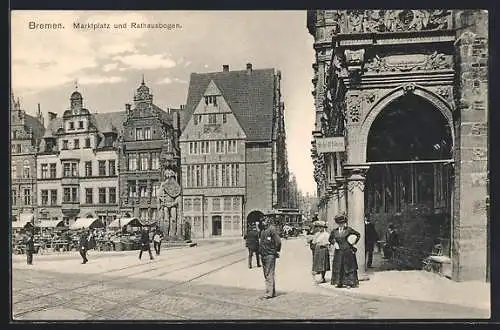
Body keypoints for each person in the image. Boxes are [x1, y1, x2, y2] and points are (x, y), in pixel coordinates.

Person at [329, 214, 361, 289]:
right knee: (339, 267)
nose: (341, 224)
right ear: (337, 223)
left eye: (343, 223)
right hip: (338, 251)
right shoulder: (334, 231)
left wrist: (353, 242)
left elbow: (358, 234)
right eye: (340, 223)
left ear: (345, 223)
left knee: (348, 267)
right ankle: (339, 282)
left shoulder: (349, 230)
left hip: (347, 251)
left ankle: (349, 283)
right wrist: (334, 243)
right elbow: (330, 239)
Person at [259, 216, 281, 299]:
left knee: (269, 273)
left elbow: (278, 241)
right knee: (266, 274)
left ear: (267, 221)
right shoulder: (263, 230)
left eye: (263, 221)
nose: (262, 223)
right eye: (261, 222)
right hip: (264, 254)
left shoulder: (272, 229)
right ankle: (272, 291)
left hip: (270, 255)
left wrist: (275, 251)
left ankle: (269, 293)